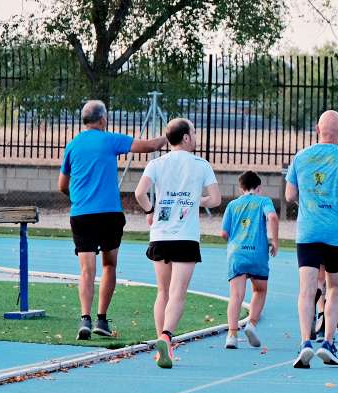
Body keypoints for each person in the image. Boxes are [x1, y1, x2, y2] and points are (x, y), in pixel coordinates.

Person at [58, 99, 168, 340]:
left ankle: (84, 319)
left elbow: (62, 185)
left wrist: (79, 197)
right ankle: (101, 319)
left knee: (87, 270)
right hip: (109, 213)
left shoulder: (72, 145)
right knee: (109, 265)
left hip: (82, 214)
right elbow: (148, 146)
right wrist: (168, 135)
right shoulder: (109, 139)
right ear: (102, 119)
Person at [133, 119, 220, 369]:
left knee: (162, 292)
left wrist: (151, 209)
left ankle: (162, 348)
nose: (195, 136)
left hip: (160, 234)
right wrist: (195, 200)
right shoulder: (201, 165)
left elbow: (139, 193)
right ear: (185, 138)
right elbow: (215, 200)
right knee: (178, 293)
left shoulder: (156, 164)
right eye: (193, 132)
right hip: (185, 236)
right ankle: (167, 337)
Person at [285, 110, 338, 368]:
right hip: (335, 232)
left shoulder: (301, 157)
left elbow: (289, 195)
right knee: (335, 287)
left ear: (317, 130)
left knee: (307, 290)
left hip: (308, 231)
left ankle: (305, 341)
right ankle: (329, 342)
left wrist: (309, 200)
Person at [220, 171, 279, 349]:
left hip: (237, 254)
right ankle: (252, 324)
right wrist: (274, 241)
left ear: (241, 188)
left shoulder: (232, 205)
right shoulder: (264, 201)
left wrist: (233, 242)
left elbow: (224, 233)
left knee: (236, 295)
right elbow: (273, 217)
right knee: (260, 290)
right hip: (257, 252)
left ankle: (231, 335)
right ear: (259, 187)